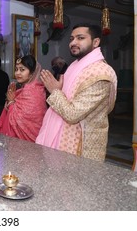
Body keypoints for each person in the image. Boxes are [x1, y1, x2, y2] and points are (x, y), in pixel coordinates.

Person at [36, 23, 117, 162]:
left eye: (80, 38)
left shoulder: (101, 73)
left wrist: (54, 91)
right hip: (63, 139)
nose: (73, 42)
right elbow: (68, 98)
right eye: (71, 38)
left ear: (96, 42)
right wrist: (58, 90)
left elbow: (73, 115)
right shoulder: (75, 66)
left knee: (73, 183)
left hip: (80, 145)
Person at [0, 55, 47, 142]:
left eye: (22, 70)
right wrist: (11, 100)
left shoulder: (32, 92)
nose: (17, 73)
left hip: (27, 144)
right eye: (16, 69)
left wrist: (11, 102)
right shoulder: (27, 90)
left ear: (32, 73)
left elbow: (22, 119)